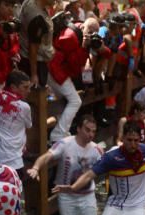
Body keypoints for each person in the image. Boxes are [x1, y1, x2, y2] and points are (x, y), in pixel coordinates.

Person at [28, 115, 103, 215]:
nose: (90, 134)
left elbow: (106, 167)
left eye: (93, 131)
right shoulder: (65, 144)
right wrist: (36, 168)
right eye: (87, 130)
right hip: (66, 196)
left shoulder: (97, 150)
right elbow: (47, 157)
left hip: (87, 194)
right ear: (79, 129)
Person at [47, 12, 87, 142]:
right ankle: (58, 134)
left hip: (51, 69)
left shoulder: (68, 31)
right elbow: (76, 65)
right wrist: (84, 49)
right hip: (56, 71)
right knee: (76, 101)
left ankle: (61, 131)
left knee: (63, 101)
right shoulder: (72, 37)